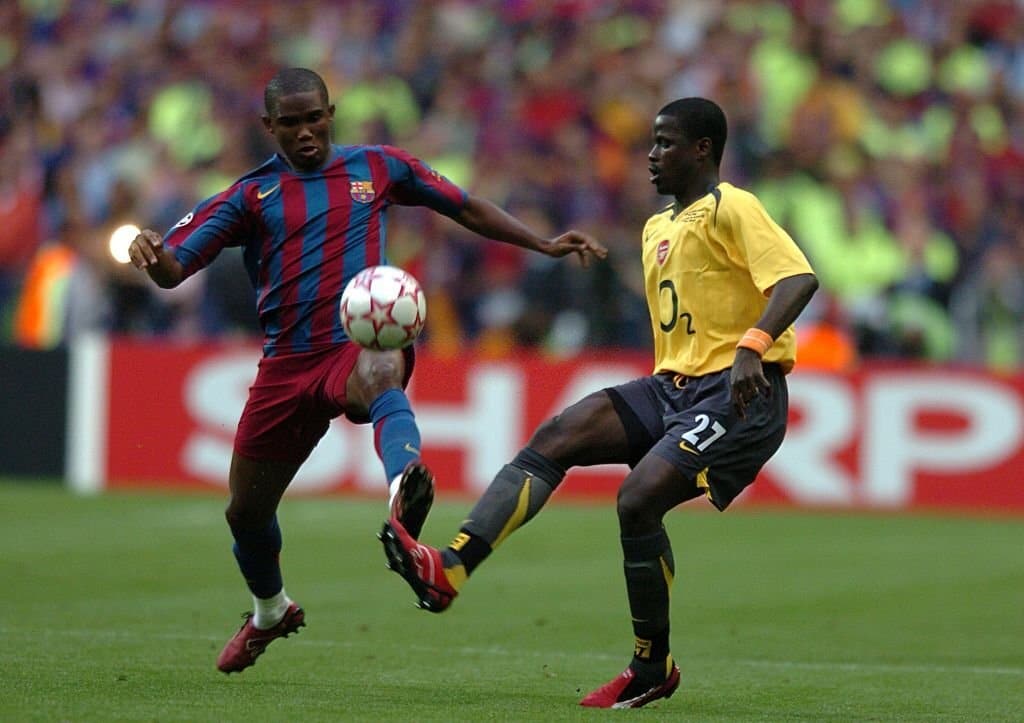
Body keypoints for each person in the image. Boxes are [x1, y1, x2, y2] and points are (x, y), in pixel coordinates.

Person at [128, 68, 606, 674]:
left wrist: (540, 243)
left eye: (315, 117)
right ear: (268, 127)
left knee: (382, 365)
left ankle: (403, 484)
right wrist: (150, 251)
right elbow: (174, 268)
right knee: (245, 513)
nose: (306, 132)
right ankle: (271, 611)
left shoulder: (378, 167)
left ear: (332, 112)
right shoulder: (248, 197)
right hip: (287, 364)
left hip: (352, 344)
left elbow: (463, 206)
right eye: (292, 123)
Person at [380, 98, 818, 709]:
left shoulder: (733, 206)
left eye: (666, 142)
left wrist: (752, 346)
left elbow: (797, 279)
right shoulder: (656, 228)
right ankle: (450, 568)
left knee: (638, 498)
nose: (651, 154)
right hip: (675, 386)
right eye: (651, 141)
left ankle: (650, 666)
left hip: (740, 393)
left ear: (702, 150)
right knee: (557, 435)